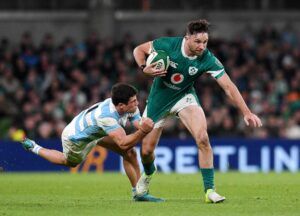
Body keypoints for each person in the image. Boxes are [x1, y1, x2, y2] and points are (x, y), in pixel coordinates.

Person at [133, 19, 263, 203]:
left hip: (184, 97)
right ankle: (148, 173)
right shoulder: (167, 44)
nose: (202, 46)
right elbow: (138, 49)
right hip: (158, 101)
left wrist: (247, 112)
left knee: (202, 138)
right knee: (146, 151)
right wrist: (143, 68)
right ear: (187, 38)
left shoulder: (207, 58)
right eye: (198, 42)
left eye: (205, 42)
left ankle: (210, 190)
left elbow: (228, 86)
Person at [21, 83, 163, 202]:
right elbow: (124, 142)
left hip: (96, 133)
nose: (137, 103)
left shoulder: (127, 105)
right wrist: (143, 131)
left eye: (135, 100)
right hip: (75, 138)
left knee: (129, 153)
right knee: (68, 161)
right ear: (121, 106)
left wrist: (148, 123)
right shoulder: (107, 116)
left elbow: (139, 124)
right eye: (133, 101)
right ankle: (35, 147)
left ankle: (139, 192)